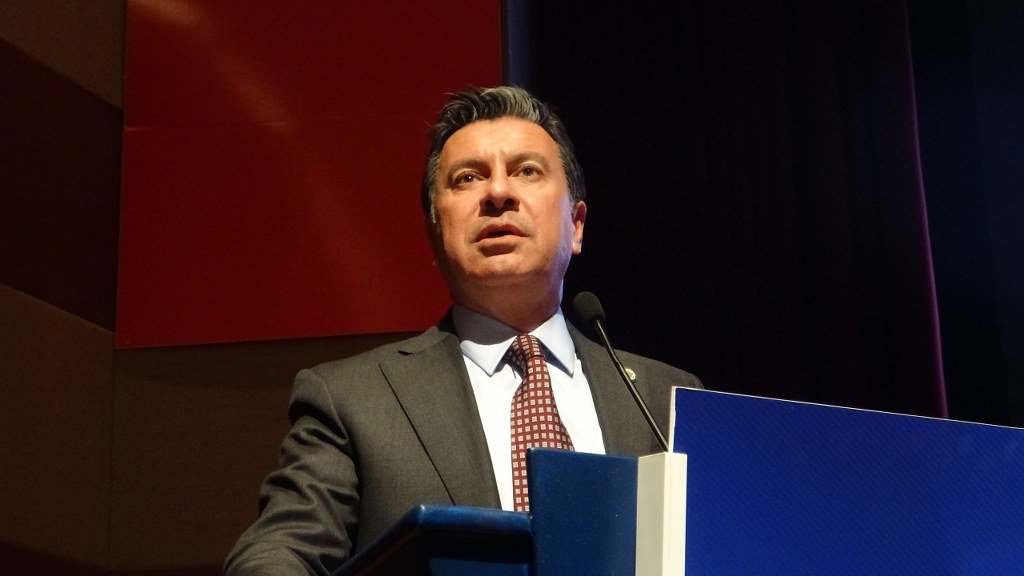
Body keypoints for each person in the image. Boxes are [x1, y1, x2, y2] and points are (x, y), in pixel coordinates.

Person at [224, 86, 701, 576]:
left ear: (576, 225)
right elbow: (278, 553)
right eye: (468, 177)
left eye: (526, 170)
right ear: (435, 233)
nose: (498, 193)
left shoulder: (667, 399)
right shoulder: (352, 401)